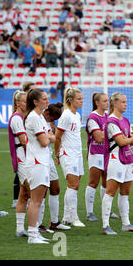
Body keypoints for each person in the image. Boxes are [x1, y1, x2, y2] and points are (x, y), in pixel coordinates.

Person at [101, 92, 133, 235]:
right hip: (115, 159)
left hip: (127, 159)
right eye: (122, 102)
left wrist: (127, 139)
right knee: (111, 191)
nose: (125, 104)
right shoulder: (111, 121)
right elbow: (122, 141)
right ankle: (105, 225)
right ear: (115, 103)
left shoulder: (125, 120)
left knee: (125, 192)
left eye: (126, 101)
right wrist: (127, 139)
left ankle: (126, 223)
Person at [24, 88, 54, 244]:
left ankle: (35, 232)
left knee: (39, 199)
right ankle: (32, 235)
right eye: (44, 99)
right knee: (35, 200)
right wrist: (48, 137)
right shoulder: (34, 118)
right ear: (35, 101)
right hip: (36, 162)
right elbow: (44, 141)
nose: (47, 101)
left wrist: (48, 137)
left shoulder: (41, 117)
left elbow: (51, 137)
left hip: (42, 161)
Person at [54, 87, 86, 227]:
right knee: (73, 184)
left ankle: (67, 216)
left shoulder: (77, 115)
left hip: (77, 153)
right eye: (79, 99)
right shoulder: (66, 115)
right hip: (68, 154)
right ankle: (73, 217)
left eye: (82, 98)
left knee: (76, 184)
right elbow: (57, 137)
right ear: (70, 100)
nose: (81, 101)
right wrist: (57, 154)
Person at [42, 103, 71, 232]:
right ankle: (37, 225)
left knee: (55, 188)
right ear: (48, 114)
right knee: (41, 193)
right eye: (53, 118)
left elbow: (52, 138)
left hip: (48, 158)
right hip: (39, 160)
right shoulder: (38, 119)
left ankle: (54, 222)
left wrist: (52, 132)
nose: (54, 121)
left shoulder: (50, 123)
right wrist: (52, 136)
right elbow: (49, 140)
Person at [85, 93, 112, 222]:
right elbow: (99, 137)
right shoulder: (92, 117)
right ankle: (89, 213)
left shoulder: (107, 116)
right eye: (105, 101)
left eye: (108, 101)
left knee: (107, 182)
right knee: (93, 182)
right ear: (97, 103)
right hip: (96, 152)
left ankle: (106, 209)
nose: (108, 103)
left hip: (106, 152)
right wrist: (107, 133)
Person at [9, 91, 31, 237]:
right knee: (32, 191)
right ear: (18, 103)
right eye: (24, 101)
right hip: (22, 157)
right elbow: (23, 141)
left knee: (24, 194)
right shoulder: (16, 119)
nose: (26, 104)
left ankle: (19, 229)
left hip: (25, 156)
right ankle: (35, 226)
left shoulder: (22, 118)